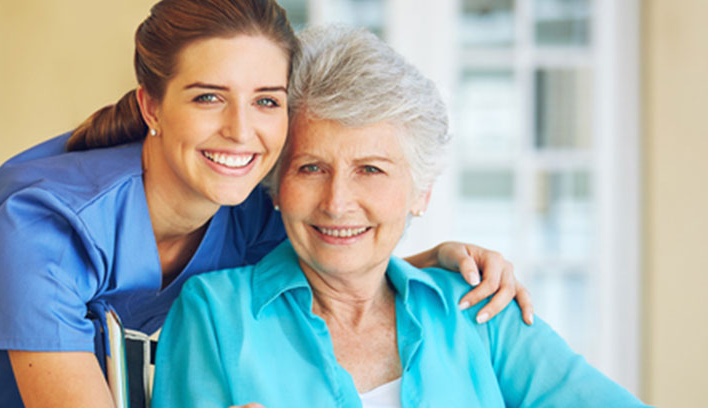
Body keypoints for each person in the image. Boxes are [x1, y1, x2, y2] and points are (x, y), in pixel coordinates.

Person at [0, 1, 533, 407]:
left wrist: (427, 260)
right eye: (208, 97)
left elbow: (336, 246)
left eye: (268, 102)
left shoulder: (246, 209)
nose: (241, 132)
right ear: (153, 105)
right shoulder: (42, 226)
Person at [152, 24, 646, 408]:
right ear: (276, 186)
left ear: (421, 191)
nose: (337, 202)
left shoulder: (479, 308)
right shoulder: (214, 313)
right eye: (310, 168)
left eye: (370, 169)